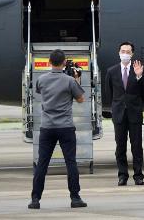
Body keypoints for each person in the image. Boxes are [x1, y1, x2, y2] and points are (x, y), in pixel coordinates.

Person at [29, 49, 87, 209]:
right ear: (63, 63)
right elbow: (81, 99)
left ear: (49, 62)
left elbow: (40, 92)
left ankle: (35, 199)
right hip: (65, 126)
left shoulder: (41, 79)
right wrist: (76, 80)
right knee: (71, 162)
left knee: (42, 163)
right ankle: (75, 198)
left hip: (47, 126)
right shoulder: (69, 81)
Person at [105, 41, 144, 186]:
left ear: (132, 54)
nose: (125, 54)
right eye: (123, 51)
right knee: (120, 147)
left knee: (136, 146)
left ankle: (138, 175)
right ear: (118, 52)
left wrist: (139, 77)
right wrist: (115, 108)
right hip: (119, 114)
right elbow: (110, 92)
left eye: (128, 52)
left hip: (134, 113)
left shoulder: (138, 70)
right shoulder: (112, 71)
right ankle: (122, 175)